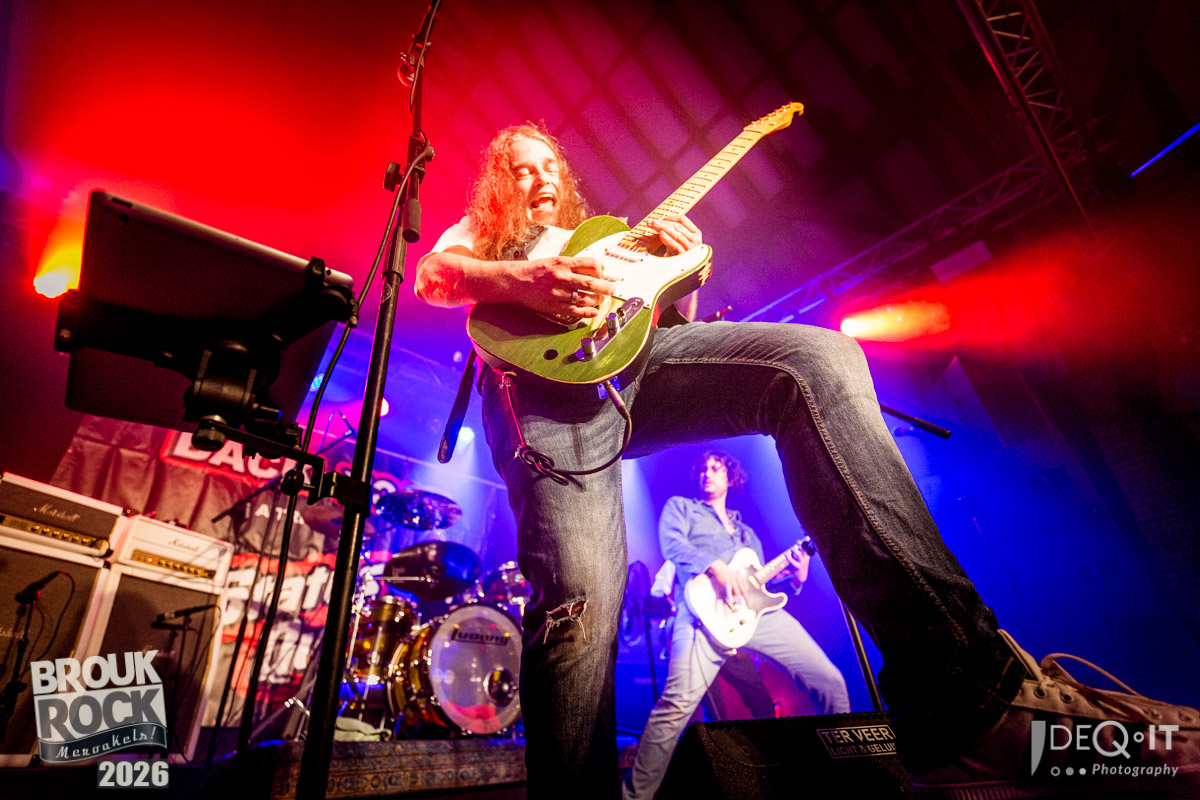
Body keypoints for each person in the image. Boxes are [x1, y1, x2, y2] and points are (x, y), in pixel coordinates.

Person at [415, 122, 1198, 798]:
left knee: (819, 362)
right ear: (500, 184)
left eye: (550, 165)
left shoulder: (601, 236)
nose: (540, 176)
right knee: (581, 603)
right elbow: (436, 275)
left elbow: (657, 323)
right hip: (545, 393)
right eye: (521, 167)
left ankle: (966, 701)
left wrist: (671, 273)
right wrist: (524, 278)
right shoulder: (487, 234)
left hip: (637, 367)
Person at [623, 451, 849, 799]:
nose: (707, 473)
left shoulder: (747, 534)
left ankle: (836, 783)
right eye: (703, 468)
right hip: (699, 616)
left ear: (730, 477)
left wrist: (795, 579)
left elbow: (757, 590)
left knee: (831, 682)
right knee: (674, 709)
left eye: (716, 468)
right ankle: (634, 797)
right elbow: (672, 544)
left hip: (749, 617)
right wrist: (716, 566)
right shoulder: (681, 508)